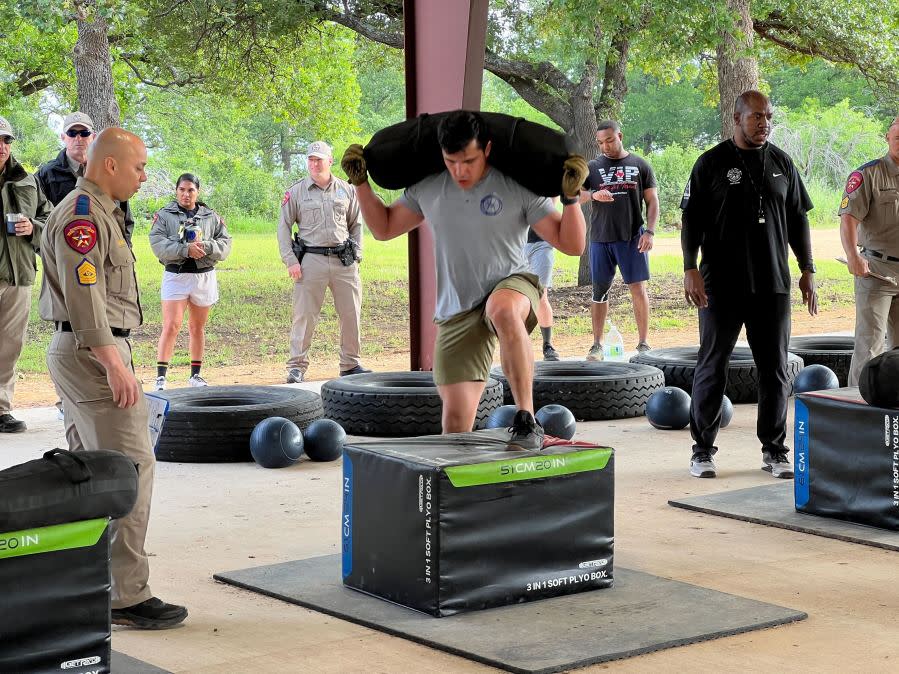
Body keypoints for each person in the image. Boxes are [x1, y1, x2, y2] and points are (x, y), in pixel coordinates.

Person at [342, 110, 588, 450]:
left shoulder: (517, 185)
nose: (460, 170)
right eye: (451, 161)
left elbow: (573, 245)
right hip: (457, 307)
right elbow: (384, 228)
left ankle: (526, 418)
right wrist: (361, 185)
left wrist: (571, 199)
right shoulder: (427, 187)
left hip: (513, 284)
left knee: (501, 308)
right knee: (455, 427)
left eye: (469, 161)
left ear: (486, 149)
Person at [39, 128, 187, 629]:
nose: (145, 176)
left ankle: (88, 584)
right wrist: (113, 361)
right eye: (139, 166)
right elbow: (84, 297)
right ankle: (126, 595)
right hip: (92, 353)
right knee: (130, 469)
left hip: (85, 350)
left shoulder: (98, 211)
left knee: (91, 473)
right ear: (109, 165)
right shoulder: (82, 216)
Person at [681, 90, 817, 480]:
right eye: (756, 116)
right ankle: (702, 450)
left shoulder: (782, 163)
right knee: (712, 365)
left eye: (768, 116)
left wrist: (807, 269)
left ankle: (774, 450)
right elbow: (691, 221)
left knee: (775, 368)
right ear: (736, 118)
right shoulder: (711, 163)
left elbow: (799, 220)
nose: (764, 123)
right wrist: (690, 267)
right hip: (720, 285)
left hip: (772, 285)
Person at [277, 141, 370, 383]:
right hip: (311, 261)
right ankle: (296, 367)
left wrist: (357, 255)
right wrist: (290, 261)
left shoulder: (345, 190)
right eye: (310, 159)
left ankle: (350, 363)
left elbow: (356, 224)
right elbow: (283, 228)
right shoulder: (296, 192)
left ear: (330, 161)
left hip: (343, 260)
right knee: (304, 315)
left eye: (319, 159)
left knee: (351, 313)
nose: (314, 163)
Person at [580, 120, 659, 360]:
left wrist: (650, 232)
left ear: (620, 136)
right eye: (601, 142)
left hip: (632, 237)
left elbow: (652, 201)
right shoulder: (592, 167)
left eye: (609, 140)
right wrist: (594, 194)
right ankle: (596, 345)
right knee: (599, 290)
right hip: (601, 238)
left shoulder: (640, 164)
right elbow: (575, 196)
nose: (605, 146)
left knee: (638, 289)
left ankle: (643, 344)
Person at [149, 173, 232, 390]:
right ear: (176, 191)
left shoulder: (210, 216)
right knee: (172, 325)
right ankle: (161, 377)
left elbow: (225, 244)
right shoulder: (165, 216)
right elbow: (158, 244)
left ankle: (195, 375)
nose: (186, 194)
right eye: (182, 190)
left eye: (191, 190)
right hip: (176, 275)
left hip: (203, 275)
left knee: (197, 327)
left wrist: (204, 247)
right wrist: (184, 249)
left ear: (198, 191)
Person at [838, 117, 899, 385]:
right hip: (876, 271)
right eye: (898, 138)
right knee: (870, 344)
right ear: (887, 139)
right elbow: (848, 218)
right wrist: (853, 255)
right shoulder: (867, 174)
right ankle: (856, 406)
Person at [0, 115, 51, 433]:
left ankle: (2, 409)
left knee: (9, 346)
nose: (1, 146)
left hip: (18, 277)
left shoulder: (27, 181)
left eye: (6, 140)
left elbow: (51, 220)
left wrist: (34, 228)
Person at [37, 111, 136, 243]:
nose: (78, 138)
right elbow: (39, 217)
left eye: (84, 133)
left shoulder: (109, 169)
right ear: (63, 137)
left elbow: (124, 215)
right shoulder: (46, 174)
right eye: (72, 133)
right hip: (65, 251)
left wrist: (125, 246)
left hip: (107, 249)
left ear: (94, 137)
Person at [524, 227, 561, 360]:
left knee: (540, 295)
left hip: (541, 242)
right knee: (515, 296)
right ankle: (518, 344)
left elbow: (550, 206)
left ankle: (547, 345)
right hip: (513, 243)